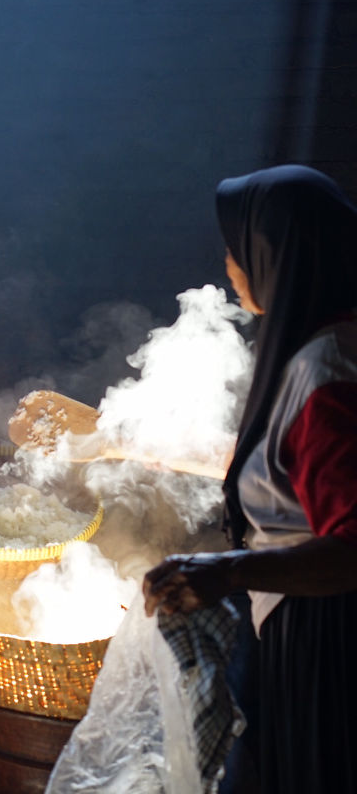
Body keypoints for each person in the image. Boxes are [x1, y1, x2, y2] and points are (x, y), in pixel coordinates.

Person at [143, 165, 357, 793]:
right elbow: (281, 464)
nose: (230, 267)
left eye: (237, 251)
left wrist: (227, 571)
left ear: (275, 257)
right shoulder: (330, 346)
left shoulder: (328, 372)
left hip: (325, 646)